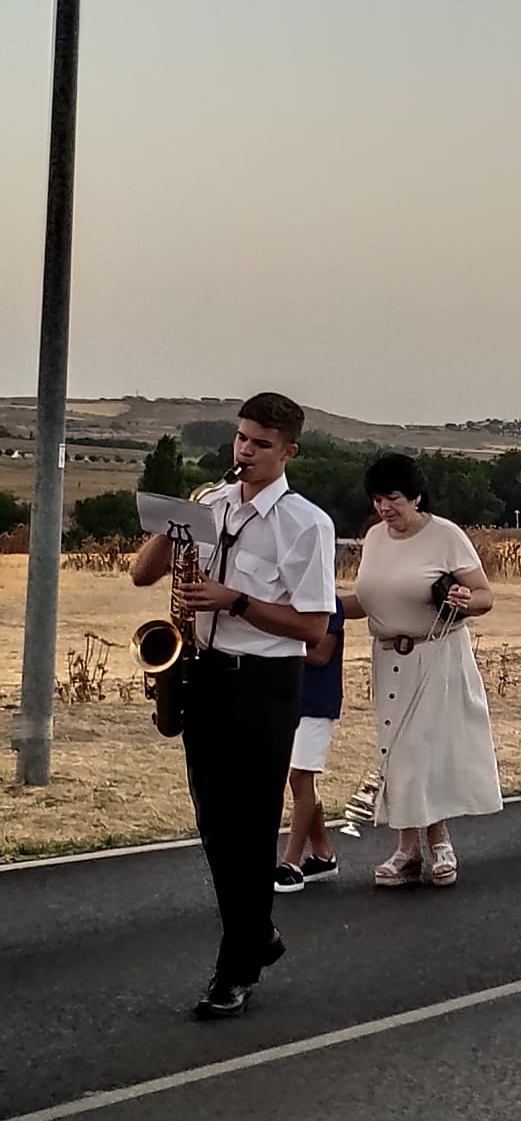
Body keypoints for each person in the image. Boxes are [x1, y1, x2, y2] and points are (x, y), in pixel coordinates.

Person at [130, 393, 336, 1019]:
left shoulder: (306, 524)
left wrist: (235, 600)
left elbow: (314, 628)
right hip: (205, 675)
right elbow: (142, 575)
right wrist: (173, 528)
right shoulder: (210, 503)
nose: (245, 452)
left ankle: (236, 965)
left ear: (289, 451)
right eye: (241, 439)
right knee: (216, 824)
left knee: (248, 825)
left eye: (261, 444)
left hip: (266, 682)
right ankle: (257, 936)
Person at [344, 453, 503, 889]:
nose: (384, 508)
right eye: (377, 499)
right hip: (388, 657)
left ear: (415, 495)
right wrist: (321, 608)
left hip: (435, 656)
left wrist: (465, 601)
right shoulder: (375, 539)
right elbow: (369, 600)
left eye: (392, 498)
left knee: (420, 750)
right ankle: (413, 848)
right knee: (395, 751)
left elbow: (485, 594)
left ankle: (429, 844)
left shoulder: (446, 536)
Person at [275, 608, 344, 893]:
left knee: (300, 777)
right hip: (291, 699)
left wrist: (274, 648)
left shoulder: (330, 605)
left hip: (317, 701)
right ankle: (322, 854)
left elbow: (321, 654)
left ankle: (290, 863)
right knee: (300, 779)